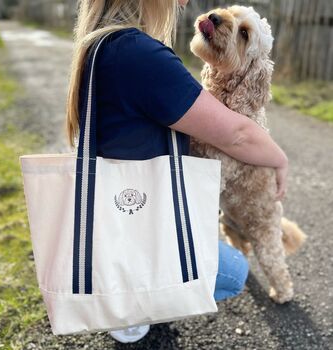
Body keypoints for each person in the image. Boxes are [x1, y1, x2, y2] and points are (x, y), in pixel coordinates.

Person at [66, 0, 288, 344]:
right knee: (234, 273)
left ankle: (131, 284)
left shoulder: (102, 45)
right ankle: (139, 298)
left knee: (241, 240)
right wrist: (280, 159)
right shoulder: (142, 54)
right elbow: (238, 134)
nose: (186, 1)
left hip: (112, 211)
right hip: (141, 219)